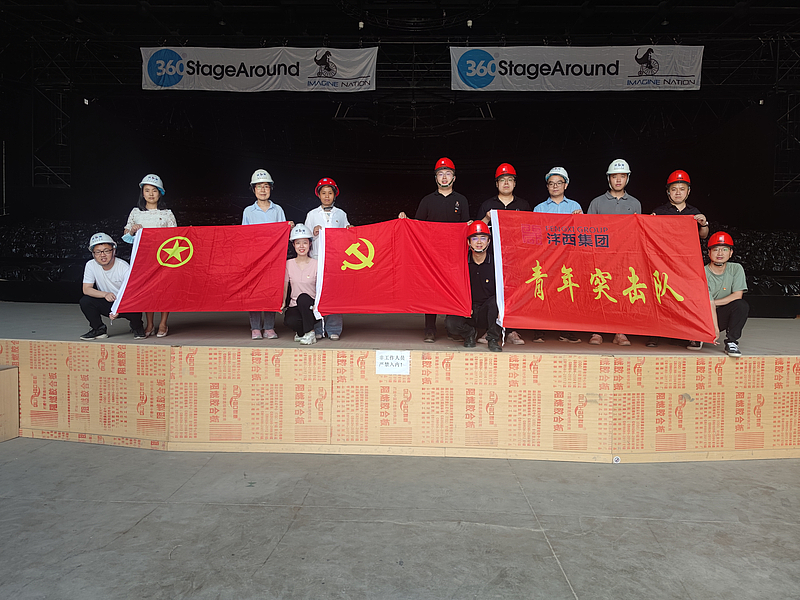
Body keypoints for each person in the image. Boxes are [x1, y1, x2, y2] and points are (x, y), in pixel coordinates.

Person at [398, 157, 470, 343]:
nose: (444, 177)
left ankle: (452, 327)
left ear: (454, 177)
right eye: (440, 174)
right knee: (430, 290)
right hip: (431, 254)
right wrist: (406, 221)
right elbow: (417, 226)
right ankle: (429, 329)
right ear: (435, 178)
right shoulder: (427, 200)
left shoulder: (461, 200)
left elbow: (465, 229)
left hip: (453, 255)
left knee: (453, 289)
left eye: (448, 174)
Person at [648, 170, 710, 347]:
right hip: (662, 263)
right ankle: (655, 334)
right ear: (668, 191)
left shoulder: (694, 213)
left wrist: (704, 223)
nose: (678, 192)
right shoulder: (659, 212)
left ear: (688, 191)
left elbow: (703, 236)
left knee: (686, 298)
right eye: (674, 189)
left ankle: (688, 333)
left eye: (682, 189)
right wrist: (650, 222)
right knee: (660, 296)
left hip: (686, 265)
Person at [472, 163, 531, 345]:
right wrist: (487, 218)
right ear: (496, 184)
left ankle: (511, 331)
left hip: (515, 259)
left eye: (509, 180)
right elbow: (476, 230)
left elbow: (530, 232)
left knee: (513, 294)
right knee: (494, 295)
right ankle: (490, 330)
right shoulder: (488, 205)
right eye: (502, 180)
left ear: (515, 183)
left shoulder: (523, 205)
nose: (506, 183)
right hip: (492, 258)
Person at [586, 159, 641, 346]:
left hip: (624, 257)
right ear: (608, 178)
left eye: (622, 176)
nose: (618, 180)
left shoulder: (635, 204)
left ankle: (620, 331)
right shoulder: (597, 203)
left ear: (627, 178)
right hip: (601, 257)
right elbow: (588, 230)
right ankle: (597, 331)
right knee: (599, 292)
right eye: (614, 176)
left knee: (621, 293)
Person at [531, 167, 583, 344]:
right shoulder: (539, 208)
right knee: (543, 292)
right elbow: (534, 235)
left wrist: (580, 219)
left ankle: (566, 331)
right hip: (546, 257)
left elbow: (582, 233)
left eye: (559, 183)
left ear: (566, 185)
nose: (555, 186)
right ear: (547, 186)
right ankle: (539, 330)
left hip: (568, 258)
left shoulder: (575, 207)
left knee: (567, 293)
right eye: (551, 183)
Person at [122, 173, 177, 338]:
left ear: (160, 193)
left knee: (164, 291)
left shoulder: (167, 213)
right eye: (147, 190)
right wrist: (132, 230)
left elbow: (175, 237)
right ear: (142, 193)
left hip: (164, 258)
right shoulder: (135, 212)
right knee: (148, 291)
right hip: (143, 258)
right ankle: (150, 324)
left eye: (154, 190)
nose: (151, 194)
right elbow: (126, 235)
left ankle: (163, 323)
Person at [242, 169, 293, 340]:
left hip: (273, 259)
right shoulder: (248, 211)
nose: (263, 190)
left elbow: (283, 234)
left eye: (266, 186)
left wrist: (288, 227)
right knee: (254, 292)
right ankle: (255, 328)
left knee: (270, 291)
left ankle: (269, 327)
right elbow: (244, 236)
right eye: (259, 186)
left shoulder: (277, 210)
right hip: (255, 259)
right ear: (253, 189)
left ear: (271, 188)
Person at [445, 221, 502, 352]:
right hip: (467, 310)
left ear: (489, 241)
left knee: (497, 301)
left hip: (486, 312)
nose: (479, 242)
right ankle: (469, 334)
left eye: (483, 238)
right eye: (475, 238)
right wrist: (463, 305)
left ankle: (493, 339)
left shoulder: (496, 264)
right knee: (450, 323)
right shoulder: (462, 263)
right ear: (468, 242)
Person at [305, 177, 350, 340]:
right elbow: (305, 239)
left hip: (335, 261)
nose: (326, 196)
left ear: (335, 195)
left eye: (330, 193)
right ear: (318, 195)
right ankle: (318, 328)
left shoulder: (341, 214)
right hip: (317, 260)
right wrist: (313, 233)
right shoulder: (312, 215)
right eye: (323, 193)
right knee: (317, 295)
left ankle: (334, 329)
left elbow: (347, 236)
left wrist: (350, 230)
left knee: (335, 294)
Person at [79, 233, 145, 341]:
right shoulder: (90, 265)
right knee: (85, 301)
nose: (102, 255)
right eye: (98, 252)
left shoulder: (123, 267)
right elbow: (86, 289)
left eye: (106, 251)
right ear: (93, 254)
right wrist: (105, 294)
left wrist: (118, 307)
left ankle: (137, 326)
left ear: (114, 251)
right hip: (108, 300)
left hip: (125, 302)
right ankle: (99, 329)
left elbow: (132, 292)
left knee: (136, 303)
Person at [698, 231, 748, 357]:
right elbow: (708, 303)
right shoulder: (702, 272)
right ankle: (697, 336)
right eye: (716, 249)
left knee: (741, 305)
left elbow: (737, 295)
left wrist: (712, 303)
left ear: (730, 253)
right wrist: (714, 329)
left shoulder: (736, 269)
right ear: (709, 252)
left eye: (724, 249)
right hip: (702, 316)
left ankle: (731, 342)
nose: (720, 253)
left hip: (720, 314)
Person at [282, 224, 321, 346]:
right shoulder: (288, 264)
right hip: (295, 305)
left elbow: (321, 287)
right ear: (293, 245)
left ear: (310, 244)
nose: (302, 246)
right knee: (290, 320)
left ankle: (310, 333)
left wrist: (318, 304)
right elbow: (285, 286)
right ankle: (301, 332)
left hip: (312, 306)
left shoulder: (317, 264)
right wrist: (282, 302)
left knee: (303, 298)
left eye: (305, 242)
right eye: (298, 243)